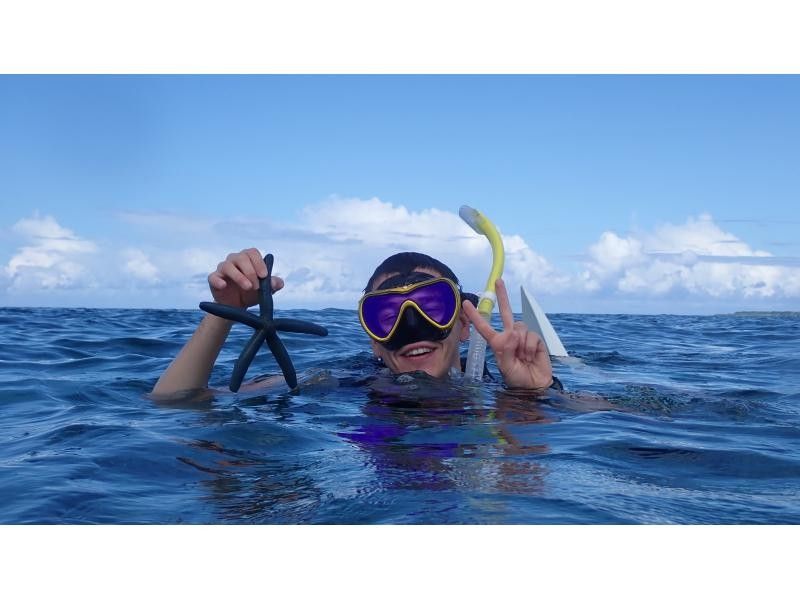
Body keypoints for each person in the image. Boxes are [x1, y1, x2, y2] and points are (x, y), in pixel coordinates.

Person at [152, 248, 557, 396]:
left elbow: (616, 417)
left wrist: (540, 392)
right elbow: (174, 401)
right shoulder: (345, 382)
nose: (410, 327)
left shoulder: (501, 388)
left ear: (464, 324)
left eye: (431, 305)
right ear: (373, 342)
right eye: (385, 315)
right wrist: (224, 312)